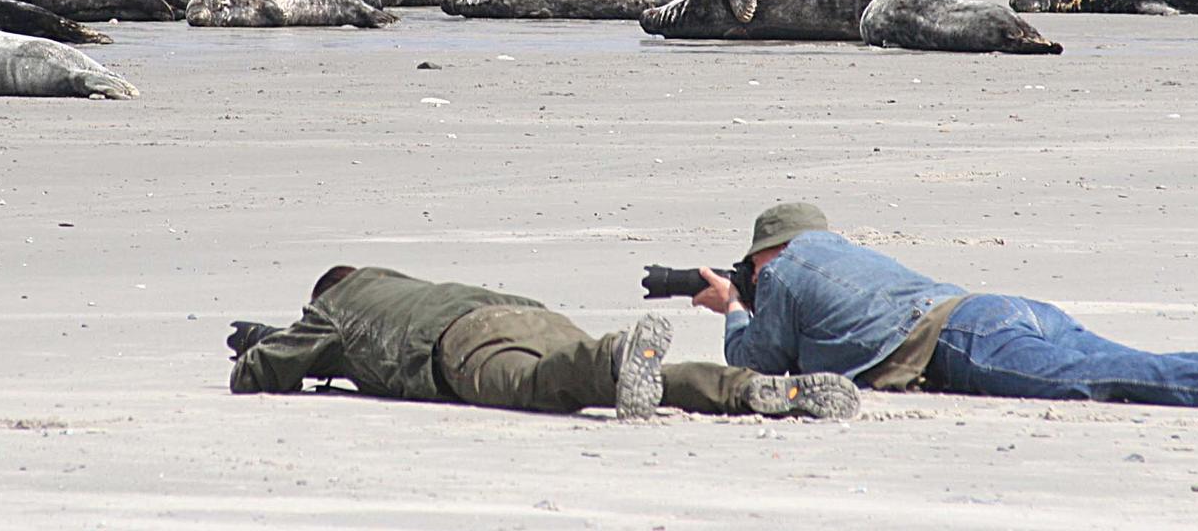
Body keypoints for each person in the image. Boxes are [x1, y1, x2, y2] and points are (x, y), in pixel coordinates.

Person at [690, 203, 1198, 412]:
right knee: (1126, 358)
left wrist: (731, 307)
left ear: (765, 254)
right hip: (998, 305)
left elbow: (759, 367)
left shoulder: (780, 276)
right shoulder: (847, 253)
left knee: (1099, 381)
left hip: (957, 339)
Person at [227, 263, 860, 420]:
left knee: (541, 386)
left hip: (464, 343)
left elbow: (261, 374)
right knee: (613, 378)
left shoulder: (335, 306)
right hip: (525, 313)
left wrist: (264, 343)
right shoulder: (413, 286)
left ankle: (613, 355)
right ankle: (752, 390)